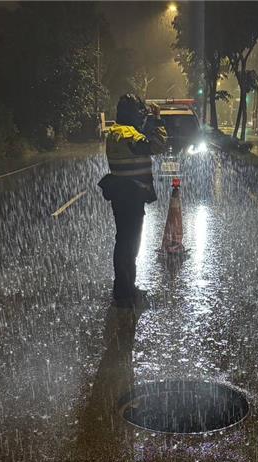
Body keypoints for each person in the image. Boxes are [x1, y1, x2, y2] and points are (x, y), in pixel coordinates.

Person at [98, 94, 167, 307]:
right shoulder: (128, 133)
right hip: (131, 195)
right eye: (140, 113)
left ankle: (126, 288)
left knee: (125, 241)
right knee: (129, 243)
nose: (141, 117)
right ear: (132, 114)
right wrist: (157, 121)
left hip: (121, 193)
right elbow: (155, 146)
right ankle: (124, 292)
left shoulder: (115, 132)